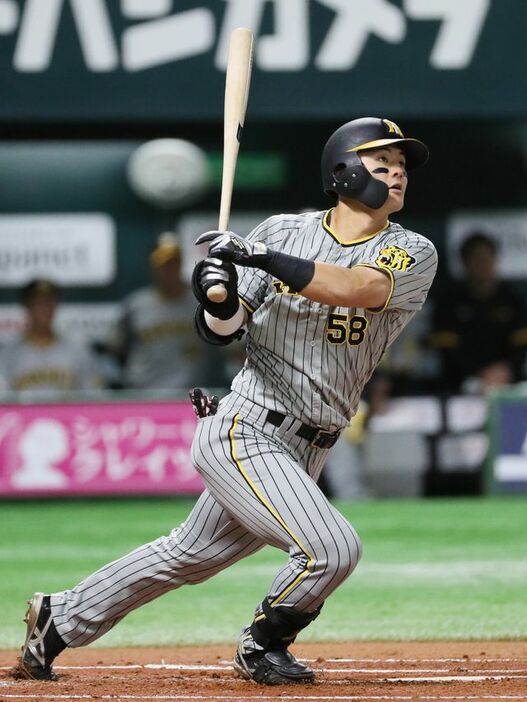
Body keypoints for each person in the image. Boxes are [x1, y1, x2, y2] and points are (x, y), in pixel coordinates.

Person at [14, 117, 437, 685]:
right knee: (332, 549)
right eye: (383, 162)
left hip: (310, 443)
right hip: (246, 428)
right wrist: (217, 292)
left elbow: (358, 288)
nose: (397, 174)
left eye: (402, 166)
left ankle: (59, 618)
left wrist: (257, 258)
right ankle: (263, 645)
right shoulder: (285, 231)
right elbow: (224, 330)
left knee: (190, 555)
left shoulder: (411, 249)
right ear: (344, 169)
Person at [110, 232, 216, 390]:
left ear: (181, 263)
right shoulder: (136, 305)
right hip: (144, 393)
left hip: (192, 393)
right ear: (154, 267)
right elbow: (117, 349)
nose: (170, 270)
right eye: (165, 265)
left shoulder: (202, 302)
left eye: (174, 263)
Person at [428, 232, 527, 393]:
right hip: (462, 384)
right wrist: (480, 374)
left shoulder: (512, 299)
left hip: (508, 380)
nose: (483, 264)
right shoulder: (450, 301)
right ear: (465, 263)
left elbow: (521, 345)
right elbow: (447, 349)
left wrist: (505, 370)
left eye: (487, 258)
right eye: (477, 259)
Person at [0, 279, 100, 395]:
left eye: (48, 302)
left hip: (68, 412)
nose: (44, 308)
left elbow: (93, 395)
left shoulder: (77, 350)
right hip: (23, 412)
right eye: (38, 303)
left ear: (55, 305)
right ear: (27, 306)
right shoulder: (8, 354)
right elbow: (3, 401)